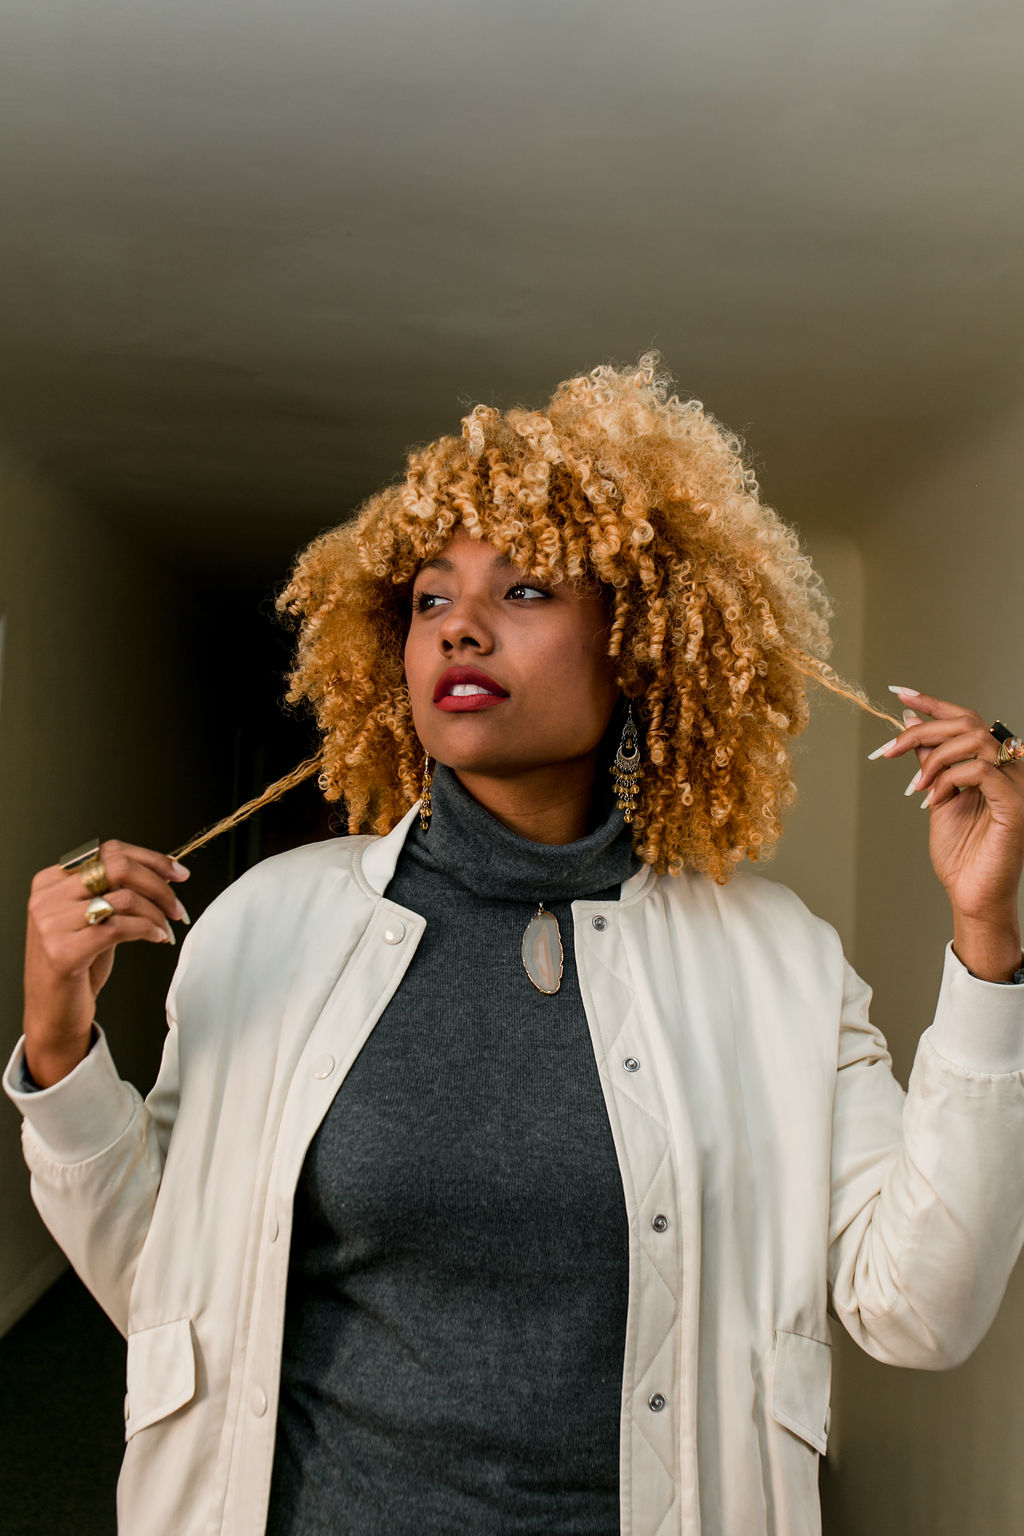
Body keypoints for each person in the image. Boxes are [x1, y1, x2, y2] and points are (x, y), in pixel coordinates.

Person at [6, 356, 1024, 1536]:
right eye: (431, 600)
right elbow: (173, 1289)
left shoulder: (774, 963)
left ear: (639, 646)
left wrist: (987, 940)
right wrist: (59, 1040)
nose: (461, 630)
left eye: (527, 592)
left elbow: (922, 1310)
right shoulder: (265, 925)